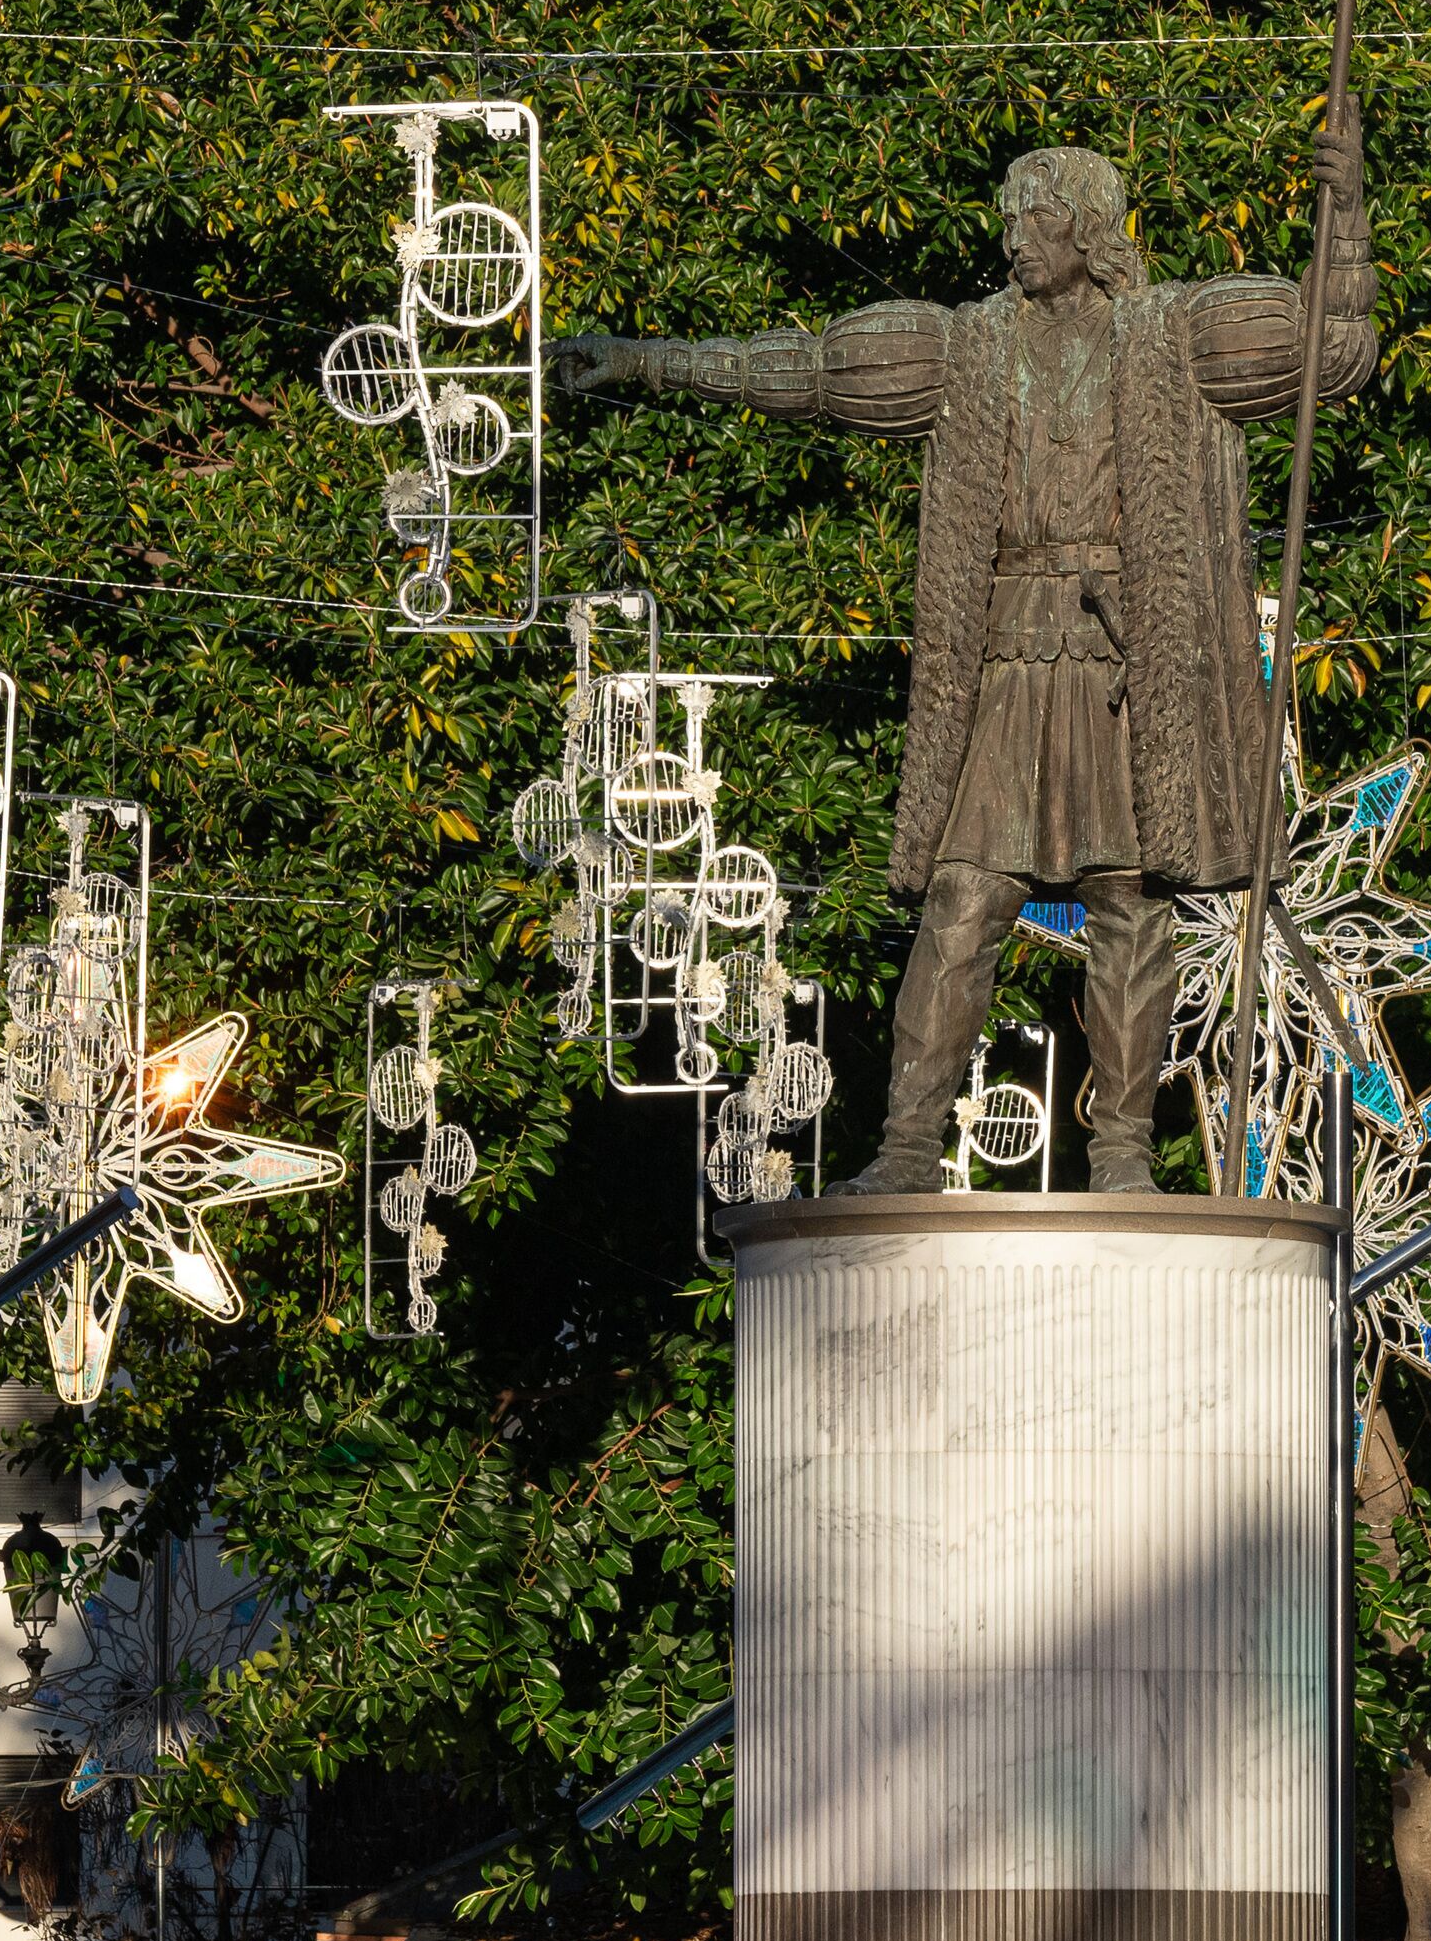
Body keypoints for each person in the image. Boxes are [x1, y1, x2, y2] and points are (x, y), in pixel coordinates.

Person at [550, 123, 1374, 1190]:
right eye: (1008, 221)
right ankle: (905, 1147)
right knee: (962, 901)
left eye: (1038, 218)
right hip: (1008, 658)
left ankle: (1123, 1154)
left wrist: (1346, 218)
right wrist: (643, 361)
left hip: (1130, 663)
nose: (1016, 239)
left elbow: (1330, 350)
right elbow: (809, 371)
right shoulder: (968, 348)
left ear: (1090, 227)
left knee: (1131, 908)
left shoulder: (1176, 334)